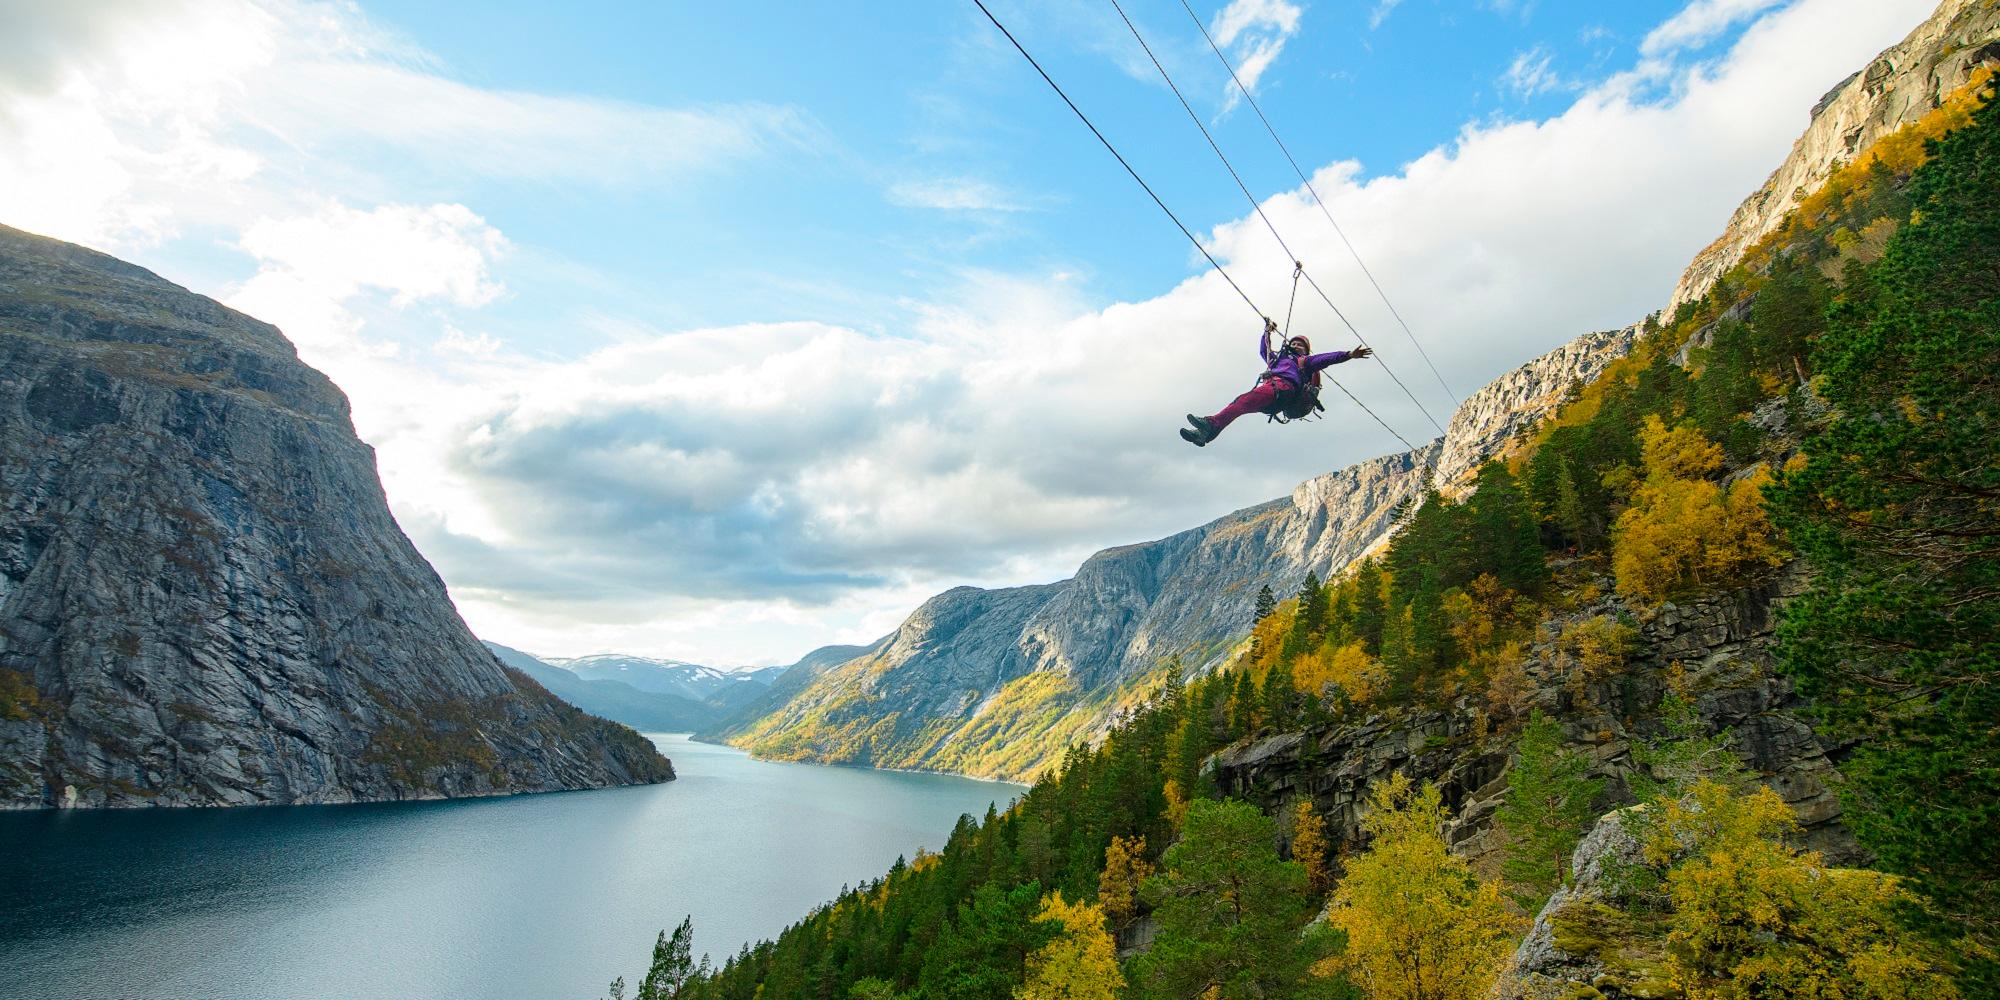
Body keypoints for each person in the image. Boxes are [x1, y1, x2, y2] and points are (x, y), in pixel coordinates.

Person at [1181, 318, 1372, 446]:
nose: (1296, 345)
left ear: (1306, 350)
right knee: (1240, 405)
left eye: (1300, 345)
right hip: (1272, 391)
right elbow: (1264, 350)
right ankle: (1206, 433)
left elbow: (1327, 358)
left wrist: (1348, 355)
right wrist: (1266, 332)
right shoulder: (1277, 360)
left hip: (1283, 389)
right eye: (1294, 343)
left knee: (1242, 402)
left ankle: (1210, 425)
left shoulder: (1305, 362)